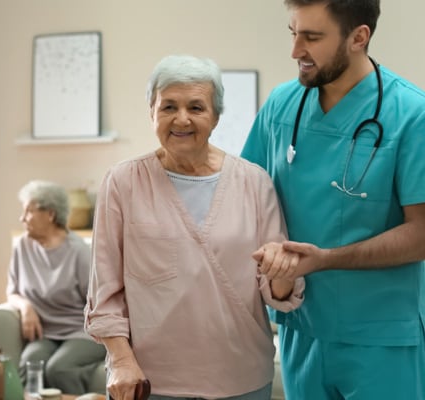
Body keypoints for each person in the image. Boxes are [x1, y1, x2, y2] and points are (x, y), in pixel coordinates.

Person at [84, 54, 305, 400]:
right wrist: (121, 359)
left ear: (216, 116)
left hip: (241, 378)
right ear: (152, 113)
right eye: (168, 106)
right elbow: (104, 292)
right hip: (149, 381)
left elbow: (276, 291)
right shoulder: (122, 182)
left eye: (196, 107)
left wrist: (284, 270)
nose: (181, 119)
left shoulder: (254, 182)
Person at [241, 1, 425, 399]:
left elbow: (422, 234)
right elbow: (244, 202)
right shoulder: (280, 106)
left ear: (359, 37)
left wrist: (326, 259)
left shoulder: (411, 114)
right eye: (293, 33)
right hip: (301, 331)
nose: (295, 50)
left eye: (312, 37)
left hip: (381, 337)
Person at [7, 180, 106, 395]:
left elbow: (99, 305)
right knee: (30, 362)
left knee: (59, 368)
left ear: (50, 214)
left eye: (28, 211)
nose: (22, 218)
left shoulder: (79, 252)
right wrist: (25, 307)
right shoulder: (22, 246)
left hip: (82, 331)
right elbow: (12, 291)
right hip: (46, 332)